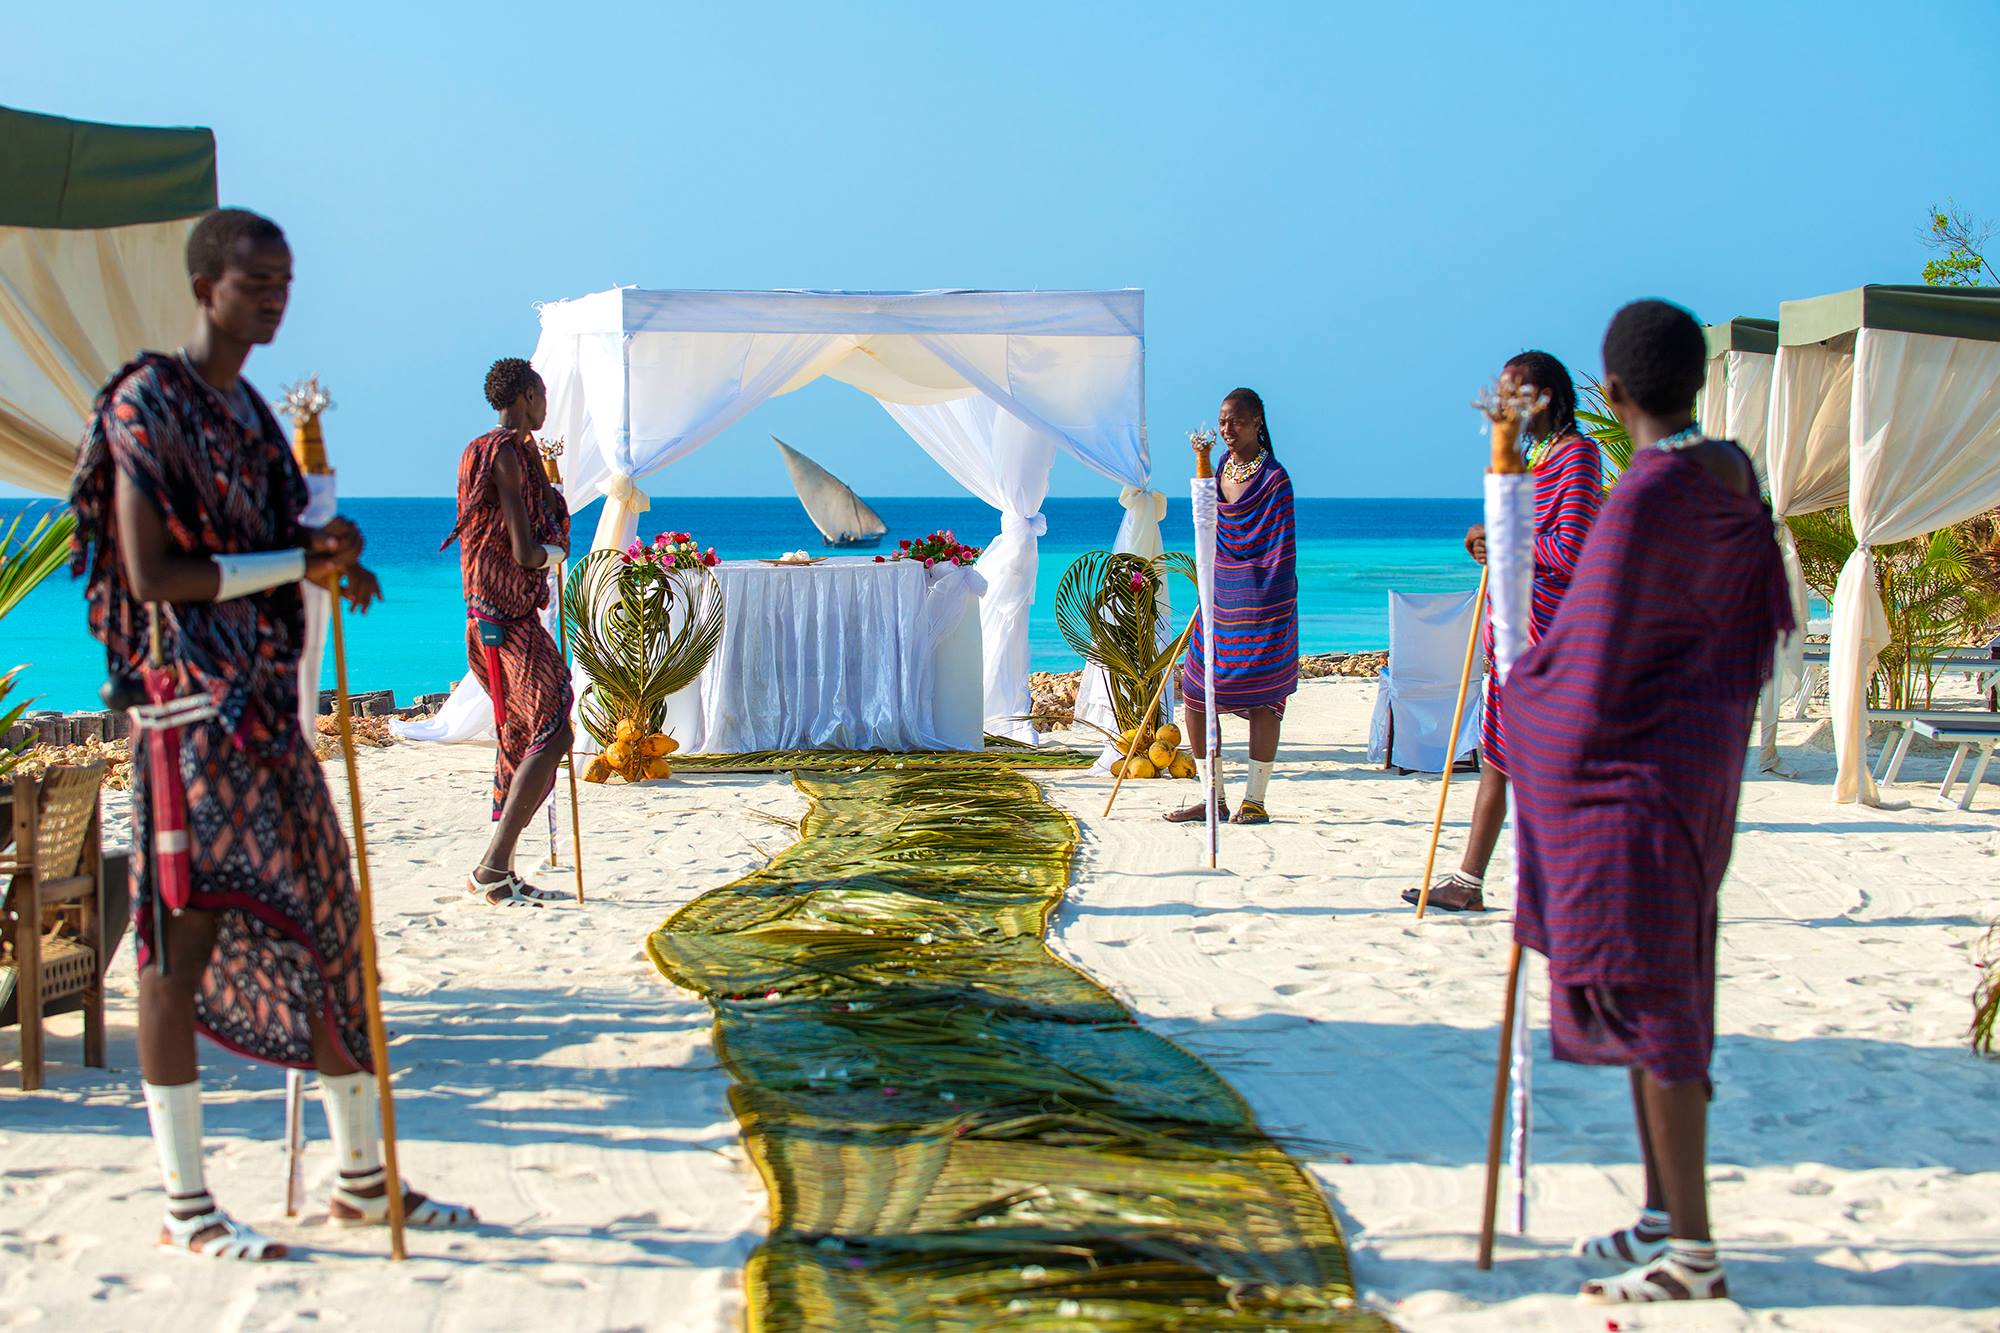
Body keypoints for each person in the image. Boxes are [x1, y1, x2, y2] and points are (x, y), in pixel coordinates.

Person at [70, 208, 473, 1260]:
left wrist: (332, 554)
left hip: (263, 716)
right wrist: (295, 564)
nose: (275, 296)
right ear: (206, 284)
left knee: (329, 926)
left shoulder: (247, 410)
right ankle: (187, 1204)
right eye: (256, 280)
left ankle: (360, 1178)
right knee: (181, 938)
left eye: (286, 279)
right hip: (186, 717)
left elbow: (279, 534)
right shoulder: (146, 403)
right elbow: (155, 575)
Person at [1505, 300, 1792, 1303]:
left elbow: (1584, 654)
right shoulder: (1732, 475)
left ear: (1610, 393)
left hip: (1636, 779)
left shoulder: (1646, 493)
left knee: (1661, 998)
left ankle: (1694, 1255)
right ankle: (1664, 1215)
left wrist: (1514, 703)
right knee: (1663, 979)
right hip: (1699, 766)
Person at [1404, 351, 1602, 912]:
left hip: (1552, 638)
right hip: (1511, 633)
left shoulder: (1578, 456)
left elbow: (1572, 549)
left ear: (1545, 397)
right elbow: (1513, 536)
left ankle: (1578, 886)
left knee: (1553, 768)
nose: (1503, 405)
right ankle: (1469, 882)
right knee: (1497, 759)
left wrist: (1508, 546)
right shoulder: (1529, 459)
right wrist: (1483, 538)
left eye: (1516, 394)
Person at [442, 357, 573, 905]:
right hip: (502, 620)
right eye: (541, 394)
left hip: (496, 614)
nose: (547, 405)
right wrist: (555, 552)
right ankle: (493, 866)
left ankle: (502, 867)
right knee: (549, 731)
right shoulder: (503, 455)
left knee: (529, 736)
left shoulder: (502, 452)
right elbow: (522, 550)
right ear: (524, 394)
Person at [1167, 387, 1298, 825]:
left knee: (1264, 700)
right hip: (1219, 597)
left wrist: (1257, 593)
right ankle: (1213, 797)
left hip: (1264, 602)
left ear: (1258, 421)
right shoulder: (1220, 466)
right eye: (1223, 420)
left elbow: (1279, 550)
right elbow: (1212, 531)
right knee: (1195, 692)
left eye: (1236, 421)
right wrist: (1212, 579)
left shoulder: (1275, 480)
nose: (1227, 429)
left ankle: (1255, 800)